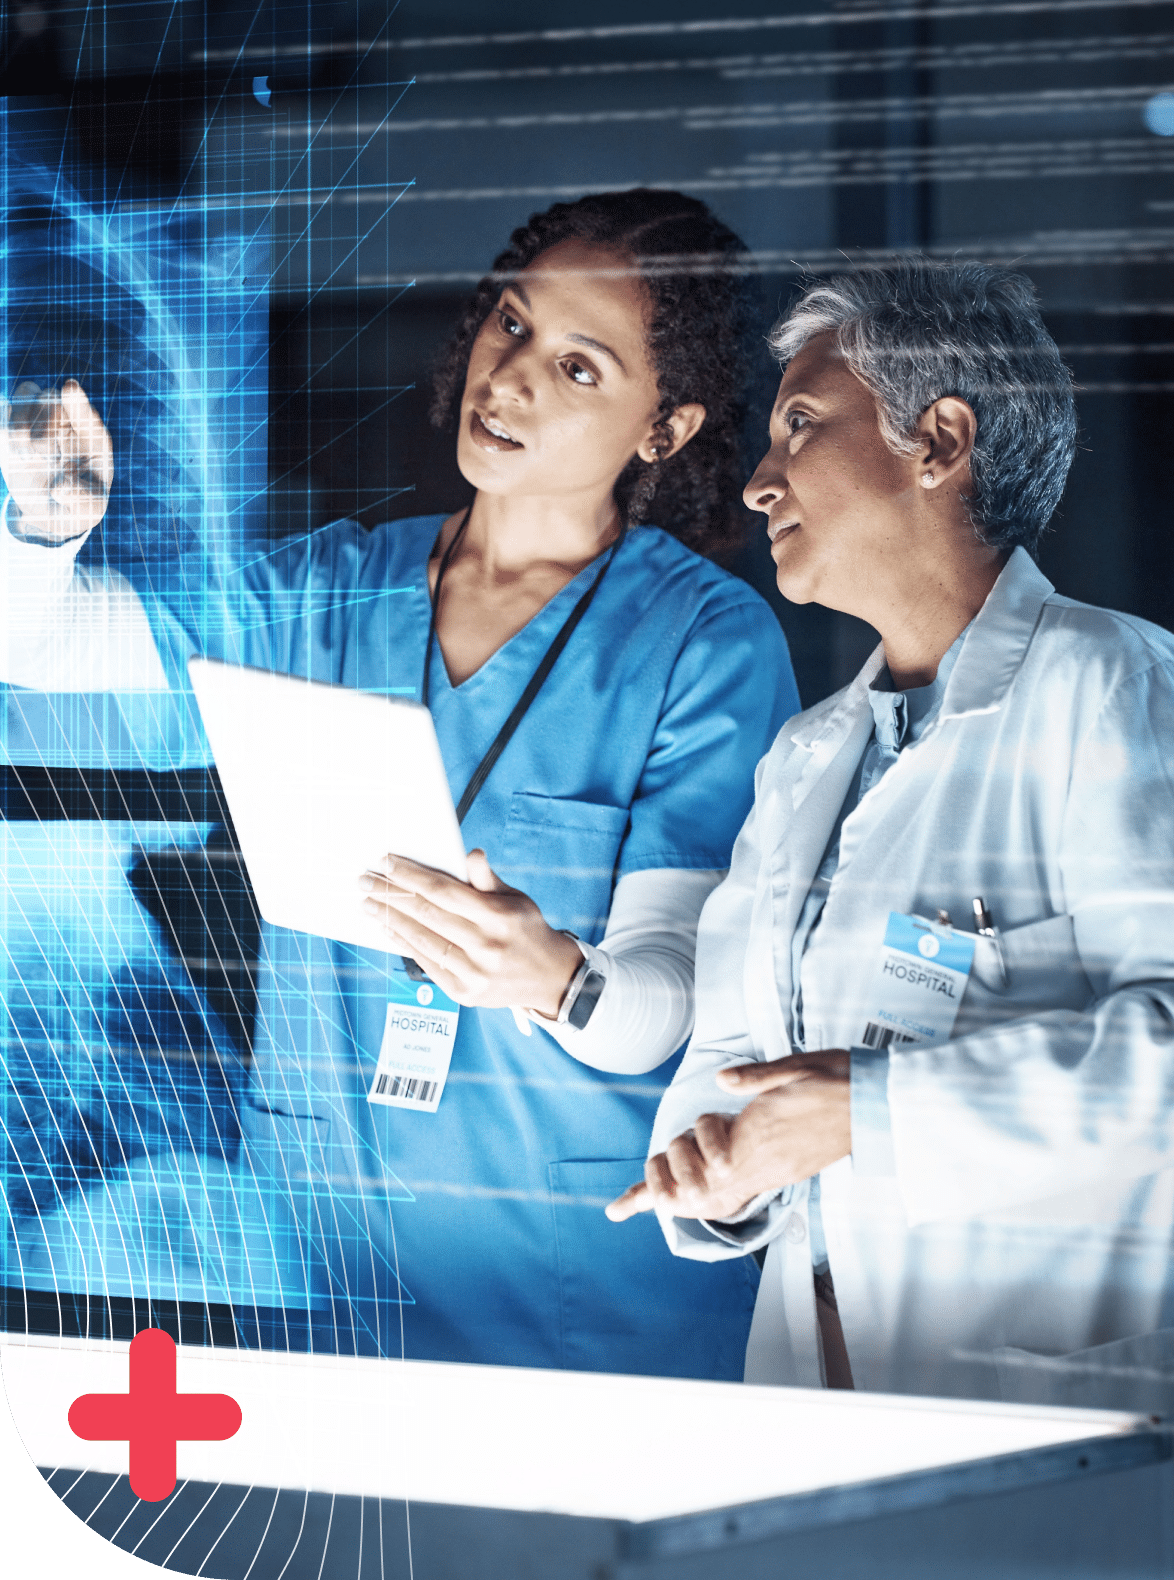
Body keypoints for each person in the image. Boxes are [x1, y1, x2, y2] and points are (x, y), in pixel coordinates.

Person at [0, 189, 799, 1378]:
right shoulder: (332, 586)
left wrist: (557, 979)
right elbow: (57, 652)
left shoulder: (703, 644)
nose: (513, 377)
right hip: (325, 1279)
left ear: (665, 427)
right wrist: (40, 530)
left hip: (573, 1300)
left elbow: (672, 997)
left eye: (581, 369)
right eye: (514, 326)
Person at [608, 259, 1174, 1406]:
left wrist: (868, 1112)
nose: (760, 483)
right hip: (811, 1385)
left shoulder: (1110, 685)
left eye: (801, 425)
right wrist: (713, 1165)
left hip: (1031, 1398)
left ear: (940, 440)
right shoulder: (805, 757)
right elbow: (727, 1059)